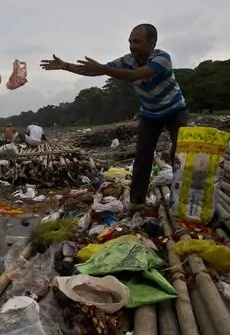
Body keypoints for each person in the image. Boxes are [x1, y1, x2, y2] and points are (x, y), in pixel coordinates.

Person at [40, 23, 187, 208]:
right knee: (142, 157)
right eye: (130, 41)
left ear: (152, 42)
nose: (132, 45)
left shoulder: (162, 58)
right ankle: (137, 202)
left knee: (181, 154)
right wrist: (66, 66)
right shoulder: (128, 60)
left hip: (174, 109)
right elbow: (95, 70)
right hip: (150, 114)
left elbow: (136, 75)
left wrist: (105, 69)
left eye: (137, 42)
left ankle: (182, 197)